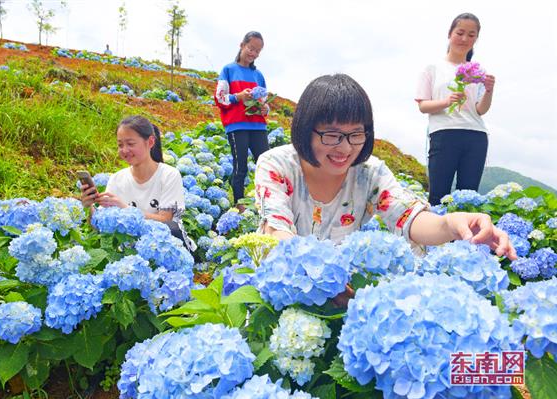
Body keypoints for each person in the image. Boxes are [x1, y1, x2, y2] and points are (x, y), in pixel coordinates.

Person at [254, 74, 515, 261]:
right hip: (285, 280)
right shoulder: (276, 165)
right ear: (305, 129)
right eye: (332, 135)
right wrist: (322, 276)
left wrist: (452, 224)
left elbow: (409, 217)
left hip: (343, 289)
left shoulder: (369, 172)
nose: (345, 149)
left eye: (356, 134)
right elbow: (277, 233)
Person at [415, 13, 495, 205]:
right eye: (460, 33)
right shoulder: (432, 68)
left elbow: (480, 110)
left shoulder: (477, 72)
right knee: (438, 196)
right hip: (444, 134)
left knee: (467, 199)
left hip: (475, 136)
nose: (465, 39)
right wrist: (447, 101)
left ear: (476, 39)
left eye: (471, 35)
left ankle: (461, 236)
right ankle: (435, 236)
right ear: (450, 34)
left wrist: (489, 90)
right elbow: (423, 105)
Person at [80, 115, 193, 248]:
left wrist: (126, 209)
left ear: (150, 142)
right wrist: (89, 206)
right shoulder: (117, 179)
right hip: (129, 253)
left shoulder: (169, 175)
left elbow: (166, 220)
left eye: (130, 144)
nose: (124, 150)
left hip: (165, 247)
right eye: (120, 145)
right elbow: (99, 226)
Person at [215, 31, 270, 208]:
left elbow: (265, 103)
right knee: (241, 167)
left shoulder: (258, 75)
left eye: (257, 51)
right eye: (251, 48)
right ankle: (239, 204)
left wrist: (264, 108)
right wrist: (237, 97)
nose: (253, 54)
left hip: (258, 126)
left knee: (265, 163)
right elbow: (220, 98)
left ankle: (266, 201)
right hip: (237, 125)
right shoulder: (228, 70)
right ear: (242, 45)